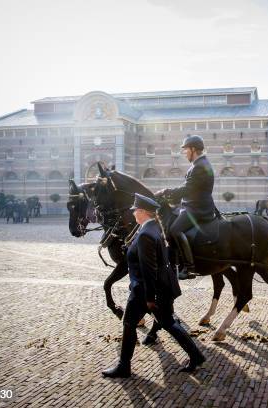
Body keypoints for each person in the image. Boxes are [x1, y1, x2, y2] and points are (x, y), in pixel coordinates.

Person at [102, 193, 206, 378]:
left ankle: (123, 367)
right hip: (157, 289)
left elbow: (149, 269)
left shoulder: (145, 234)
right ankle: (196, 355)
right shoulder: (153, 228)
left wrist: (150, 298)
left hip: (145, 291)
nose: (133, 214)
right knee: (166, 323)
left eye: (135, 211)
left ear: (142, 212)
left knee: (132, 323)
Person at [156, 135, 215, 279]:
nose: (184, 153)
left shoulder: (199, 167)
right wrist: (171, 196)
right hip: (193, 205)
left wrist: (166, 192)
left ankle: (190, 268)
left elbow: (187, 189)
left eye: (186, 149)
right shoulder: (199, 165)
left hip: (197, 209)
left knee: (174, 229)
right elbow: (187, 188)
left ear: (193, 149)